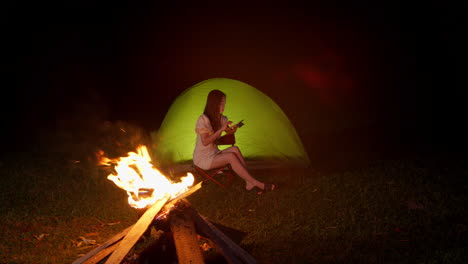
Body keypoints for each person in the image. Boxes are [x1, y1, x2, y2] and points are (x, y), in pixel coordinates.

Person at [193, 89, 275, 194]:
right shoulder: (203, 120)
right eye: (221, 103)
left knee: (235, 149)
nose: (224, 106)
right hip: (203, 158)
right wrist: (221, 129)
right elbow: (205, 142)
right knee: (231, 156)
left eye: (224, 103)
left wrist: (232, 129)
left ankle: (249, 182)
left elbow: (228, 132)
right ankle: (256, 183)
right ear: (214, 104)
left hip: (214, 153)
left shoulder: (222, 118)